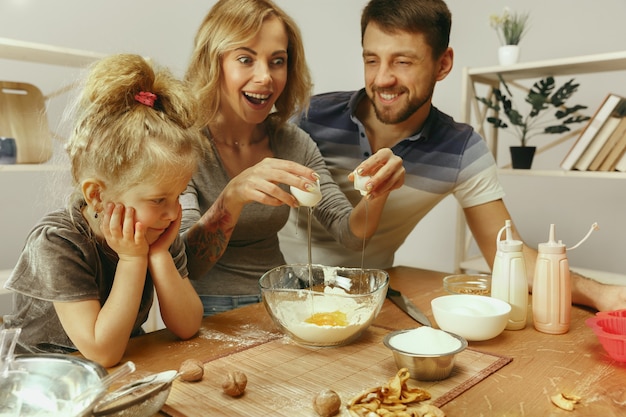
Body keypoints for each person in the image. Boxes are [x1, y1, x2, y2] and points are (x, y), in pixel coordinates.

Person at [278, 0, 626, 313]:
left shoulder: (459, 149)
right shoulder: (309, 117)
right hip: (281, 291)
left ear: (442, 64)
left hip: (366, 301)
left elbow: (510, 257)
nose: (382, 78)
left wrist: (603, 295)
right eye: (372, 60)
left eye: (402, 61)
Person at [180, 0, 405, 316]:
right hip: (206, 309)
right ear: (213, 63)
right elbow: (187, 262)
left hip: (282, 300)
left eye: (277, 61)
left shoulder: (291, 142)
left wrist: (377, 191)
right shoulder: (181, 147)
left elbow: (349, 232)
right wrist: (232, 197)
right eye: (245, 59)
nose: (265, 77)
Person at [2, 54, 204, 367]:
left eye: (178, 196)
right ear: (97, 195)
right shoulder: (58, 242)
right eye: (158, 199)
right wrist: (132, 259)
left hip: (115, 370)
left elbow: (188, 325)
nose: (172, 212)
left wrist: (159, 256)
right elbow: (102, 350)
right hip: (41, 377)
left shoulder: (155, 231)